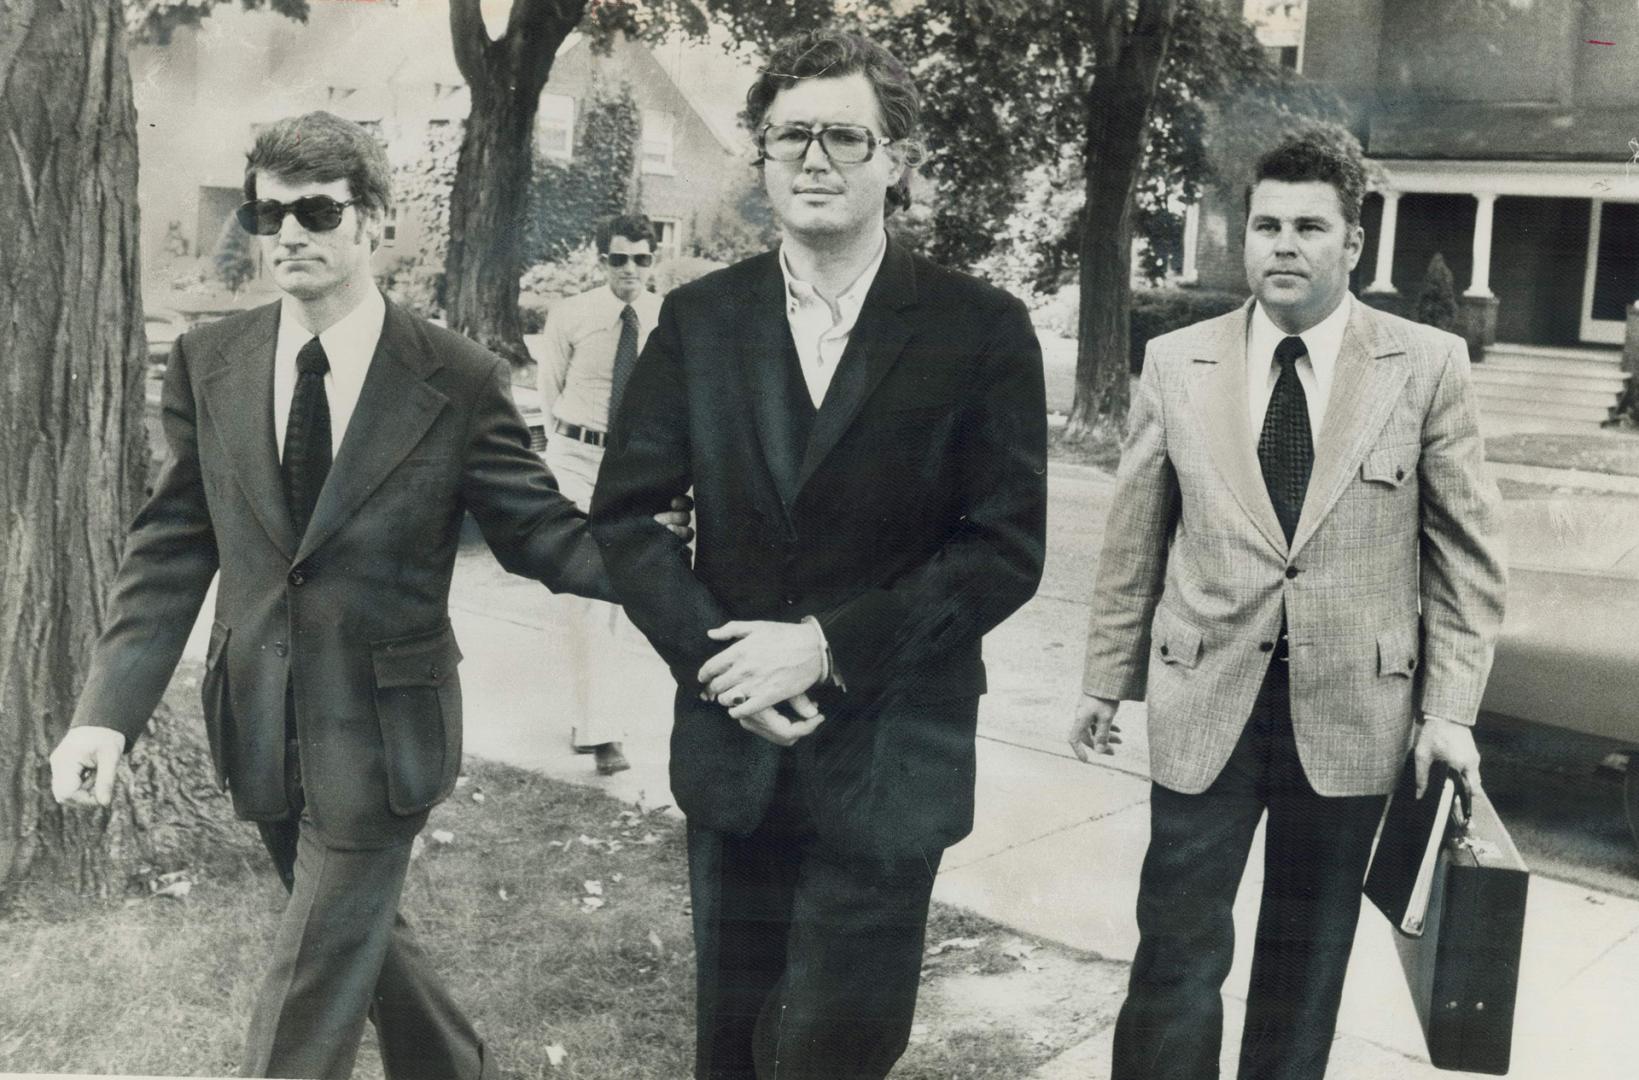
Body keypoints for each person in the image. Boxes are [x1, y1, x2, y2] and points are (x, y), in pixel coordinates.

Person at [47, 111, 690, 1080]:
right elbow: (175, 546)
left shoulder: (457, 379)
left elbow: (543, 534)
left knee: (308, 985)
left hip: (384, 736)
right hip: (256, 722)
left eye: (315, 210)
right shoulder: (209, 365)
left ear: (375, 222)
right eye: (268, 217)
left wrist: (683, 585)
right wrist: (106, 713)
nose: (288, 235)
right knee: (358, 942)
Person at [589, 27, 1047, 1080]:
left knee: (834, 1050)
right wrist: (729, 664)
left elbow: (1002, 548)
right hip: (734, 747)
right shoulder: (700, 321)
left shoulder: (980, 330)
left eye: (845, 136)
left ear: (896, 160)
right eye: (789, 135)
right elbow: (628, 518)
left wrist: (826, 647)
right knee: (730, 1049)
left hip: (892, 754)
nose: (814, 160)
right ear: (761, 158)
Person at [1068, 128, 1507, 1080]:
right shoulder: (1178, 363)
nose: (1282, 244)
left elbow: (1466, 560)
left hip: (1353, 712)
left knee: (1305, 963)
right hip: (1203, 703)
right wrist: (1106, 681)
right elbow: (1134, 539)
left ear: (1352, 241)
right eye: (1265, 223)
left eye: (1310, 226)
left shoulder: (1425, 366)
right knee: (1176, 950)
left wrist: (1448, 713)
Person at [536, 213, 665, 775]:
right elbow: (550, 393)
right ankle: (601, 733)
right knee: (583, 595)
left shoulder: (668, 319)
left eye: (640, 258)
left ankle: (590, 716)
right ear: (601, 260)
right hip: (575, 460)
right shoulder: (571, 315)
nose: (629, 270)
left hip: (634, 469)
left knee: (618, 601)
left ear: (652, 261)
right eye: (618, 259)